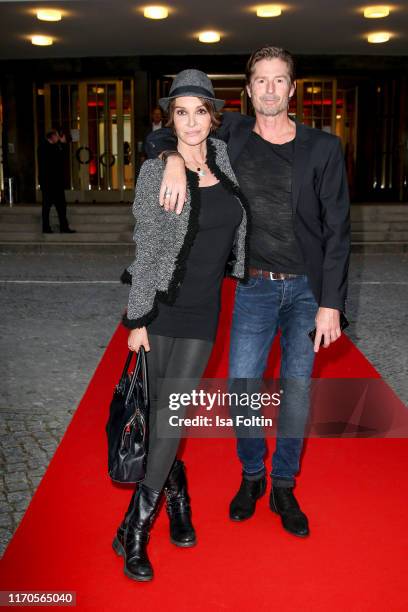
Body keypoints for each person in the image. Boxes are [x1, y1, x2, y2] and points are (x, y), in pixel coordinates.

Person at [146, 46, 351, 538]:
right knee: (243, 389)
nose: (270, 90)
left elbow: (338, 230)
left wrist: (332, 304)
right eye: (261, 80)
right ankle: (252, 474)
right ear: (249, 88)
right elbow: (161, 132)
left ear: (292, 88)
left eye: (280, 80)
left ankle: (283, 483)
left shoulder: (323, 148)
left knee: (297, 394)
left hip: (307, 290)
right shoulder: (231, 134)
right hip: (254, 286)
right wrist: (174, 159)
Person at [116, 69, 249, 581]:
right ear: (169, 118)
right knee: (157, 419)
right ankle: (172, 502)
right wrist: (138, 318)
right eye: (181, 111)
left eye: (200, 111)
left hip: (203, 313)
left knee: (171, 416)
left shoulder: (224, 157)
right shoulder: (156, 171)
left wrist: (179, 155)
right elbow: (147, 247)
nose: (191, 121)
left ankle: (134, 530)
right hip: (162, 309)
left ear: (213, 116)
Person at [37, 129, 75, 234]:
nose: (58, 138)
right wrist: (62, 144)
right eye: (57, 136)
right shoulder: (44, 148)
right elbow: (58, 157)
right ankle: (46, 227)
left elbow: (61, 157)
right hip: (49, 183)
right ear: (52, 137)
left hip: (56, 183)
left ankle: (64, 227)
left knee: (61, 206)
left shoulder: (52, 147)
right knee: (47, 206)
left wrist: (62, 144)